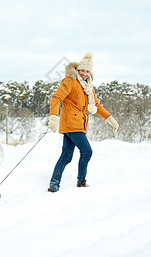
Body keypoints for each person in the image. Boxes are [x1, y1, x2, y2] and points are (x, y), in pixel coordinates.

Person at [47, 53, 119, 192]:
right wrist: (54, 117)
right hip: (72, 124)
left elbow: (96, 106)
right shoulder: (70, 81)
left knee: (66, 157)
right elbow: (56, 98)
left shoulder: (89, 87)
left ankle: (53, 184)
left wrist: (111, 119)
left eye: (87, 71)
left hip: (77, 125)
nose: (84, 73)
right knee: (87, 151)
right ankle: (81, 181)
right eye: (82, 70)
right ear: (78, 69)